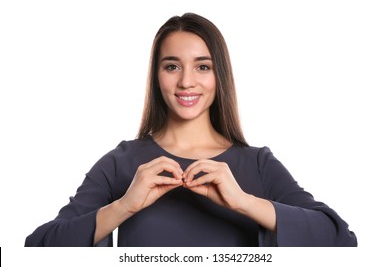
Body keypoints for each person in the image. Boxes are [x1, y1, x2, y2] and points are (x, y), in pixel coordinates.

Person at [25, 13, 357, 247]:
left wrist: (244, 202)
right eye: (172, 66)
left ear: (219, 76)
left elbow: (341, 240)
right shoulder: (121, 163)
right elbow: (38, 247)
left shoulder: (258, 164)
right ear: (157, 76)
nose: (186, 81)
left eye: (202, 66)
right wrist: (124, 206)